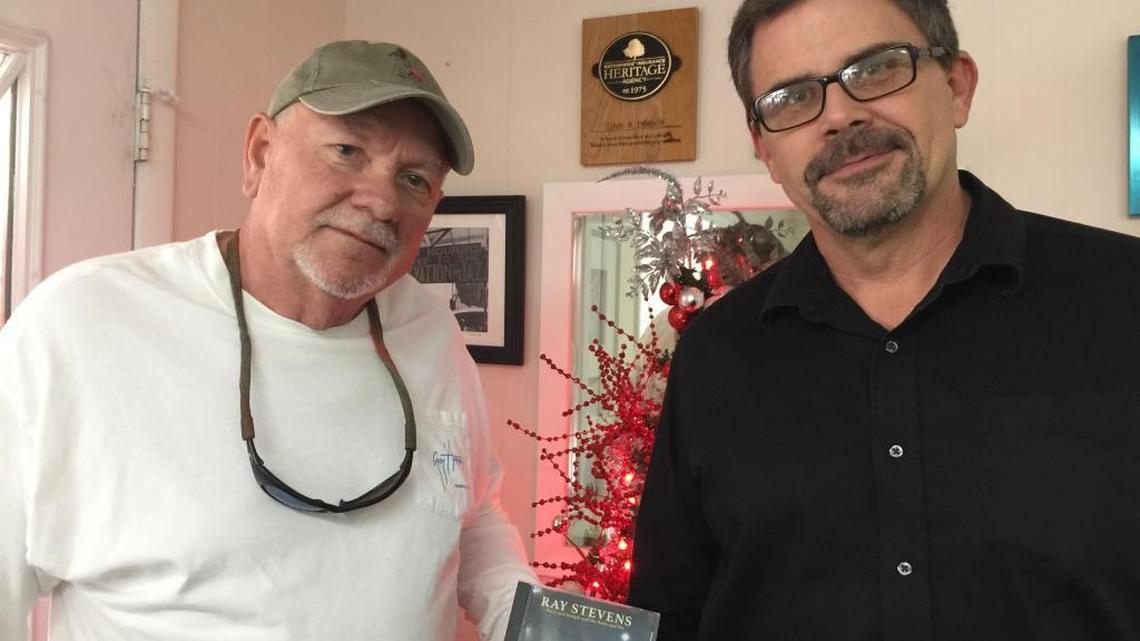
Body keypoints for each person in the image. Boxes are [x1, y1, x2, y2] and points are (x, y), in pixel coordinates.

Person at [627, 1, 1140, 639]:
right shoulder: (715, 353)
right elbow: (668, 615)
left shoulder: (1125, 299)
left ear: (957, 86)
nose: (839, 116)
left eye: (874, 69)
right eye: (791, 97)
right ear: (765, 147)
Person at [0, 40, 536, 640]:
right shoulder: (81, 325)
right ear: (259, 154)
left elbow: (470, 515)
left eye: (414, 179)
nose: (382, 201)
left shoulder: (430, 332)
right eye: (346, 151)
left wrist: (533, 623)